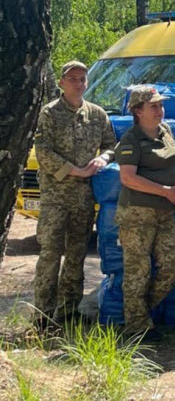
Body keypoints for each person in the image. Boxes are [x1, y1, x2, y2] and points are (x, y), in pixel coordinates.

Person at [34, 60, 116, 326]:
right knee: (50, 255)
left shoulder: (96, 114)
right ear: (61, 82)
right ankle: (43, 315)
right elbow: (43, 151)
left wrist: (103, 158)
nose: (79, 84)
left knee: (77, 255)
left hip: (83, 198)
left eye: (83, 79)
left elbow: (111, 145)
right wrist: (73, 170)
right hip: (56, 198)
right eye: (73, 79)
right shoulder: (50, 113)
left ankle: (69, 312)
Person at [115, 86, 175, 340]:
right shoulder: (131, 139)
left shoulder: (165, 131)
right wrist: (166, 191)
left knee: (173, 266)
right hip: (137, 214)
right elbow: (128, 178)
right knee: (138, 271)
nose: (160, 110)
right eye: (153, 106)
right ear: (137, 111)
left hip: (165, 212)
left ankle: (141, 312)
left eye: (161, 105)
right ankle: (137, 328)